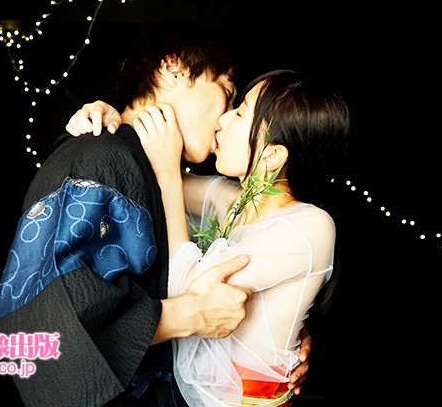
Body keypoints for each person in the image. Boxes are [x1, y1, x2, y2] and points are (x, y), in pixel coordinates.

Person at [0, 18, 311, 407]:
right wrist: (186, 314)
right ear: (172, 69)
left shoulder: (163, 176)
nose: (226, 117)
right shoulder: (100, 158)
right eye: (227, 92)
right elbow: (41, 331)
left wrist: (278, 336)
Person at [67, 68, 351, 406]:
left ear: (272, 155)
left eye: (240, 113)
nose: (222, 120)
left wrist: (168, 173)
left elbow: (189, 292)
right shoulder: (229, 200)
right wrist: (112, 122)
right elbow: (141, 170)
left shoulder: (310, 226)